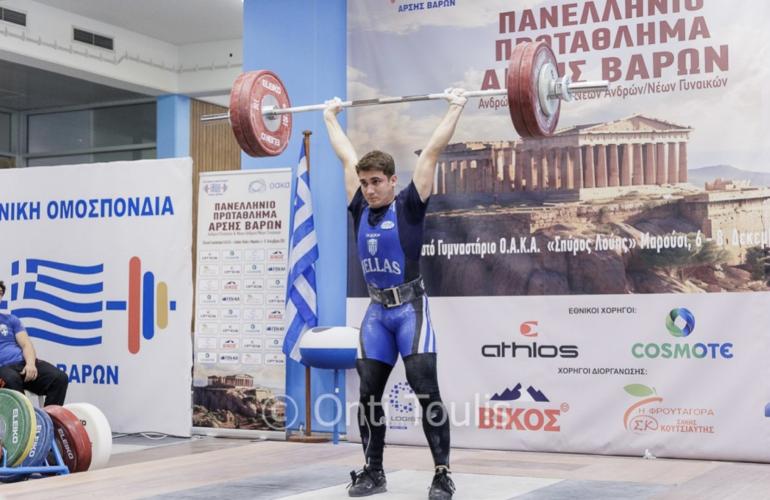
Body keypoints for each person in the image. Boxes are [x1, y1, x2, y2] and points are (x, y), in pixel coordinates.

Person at [324, 88, 467, 499]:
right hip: (377, 314)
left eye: (376, 182)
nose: (369, 189)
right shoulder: (359, 207)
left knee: (427, 393)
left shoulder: (409, 206)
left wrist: (456, 106)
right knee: (369, 396)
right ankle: (373, 472)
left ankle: (442, 475)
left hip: (410, 311)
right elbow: (345, 155)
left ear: (392, 181)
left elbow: (432, 151)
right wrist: (330, 117)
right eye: (364, 183)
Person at [0, 280, 69, 405]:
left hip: (22, 364)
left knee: (59, 378)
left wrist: (30, 364)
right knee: (12, 380)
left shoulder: (11, 319)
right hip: (3, 369)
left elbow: (26, 344)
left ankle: (48, 418)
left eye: (0, 293)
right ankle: (25, 417)